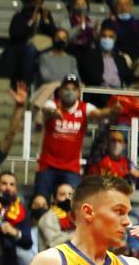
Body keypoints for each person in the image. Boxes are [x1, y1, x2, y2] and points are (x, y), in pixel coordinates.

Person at [34, 74, 119, 205]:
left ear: (79, 92)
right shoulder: (52, 104)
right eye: (66, 88)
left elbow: (98, 114)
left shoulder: (85, 108)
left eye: (73, 89)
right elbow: (46, 110)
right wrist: (54, 113)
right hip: (47, 165)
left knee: (75, 204)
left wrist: (111, 111)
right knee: (39, 202)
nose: (70, 92)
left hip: (71, 168)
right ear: (60, 90)